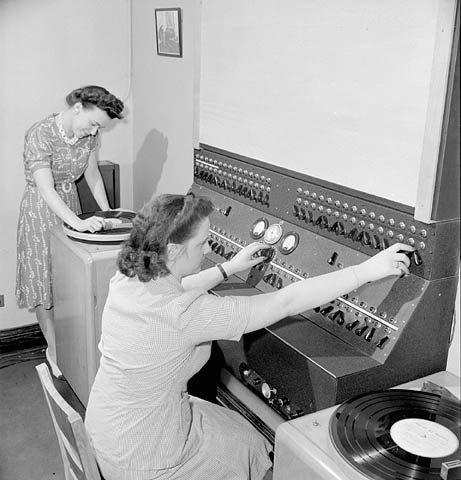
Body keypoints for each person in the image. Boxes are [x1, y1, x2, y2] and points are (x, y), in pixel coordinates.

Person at [85, 193, 413, 480]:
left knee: (244, 436)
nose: (206, 249)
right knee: (250, 447)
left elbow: (179, 289)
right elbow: (286, 301)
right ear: (173, 251)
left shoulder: (131, 275)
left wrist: (230, 267)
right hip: (147, 459)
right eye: (201, 244)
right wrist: (366, 271)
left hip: (110, 426)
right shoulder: (185, 315)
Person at [15, 85, 124, 376]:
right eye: (92, 123)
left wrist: (107, 212)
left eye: (99, 127)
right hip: (41, 210)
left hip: (70, 205)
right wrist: (76, 223)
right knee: (43, 282)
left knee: (67, 283)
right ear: (78, 108)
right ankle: (54, 349)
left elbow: (92, 175)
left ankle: (73, 345)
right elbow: (46, 188)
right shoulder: (40, 133)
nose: (93, 132)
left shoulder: (89, 133)